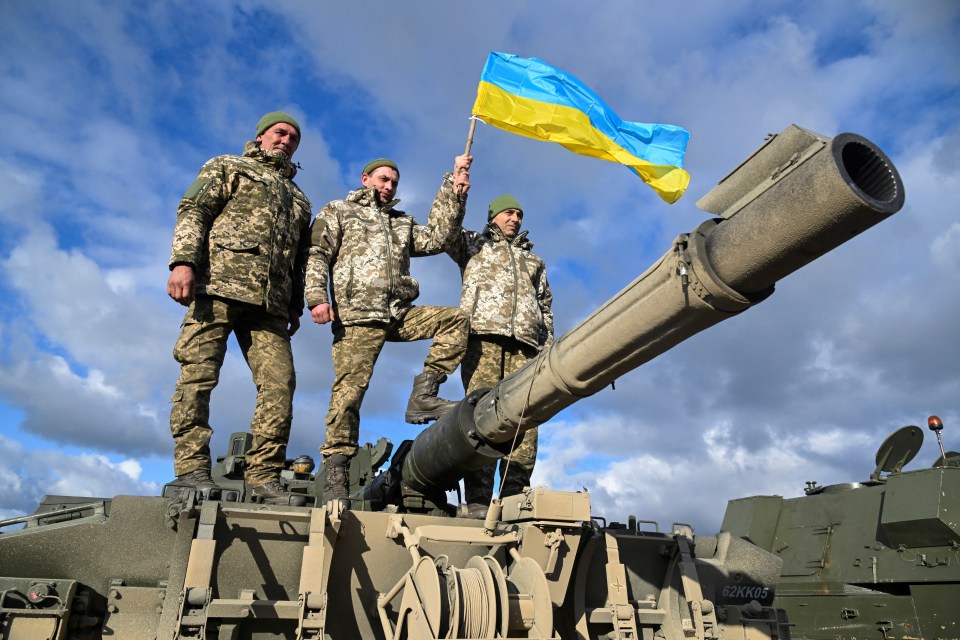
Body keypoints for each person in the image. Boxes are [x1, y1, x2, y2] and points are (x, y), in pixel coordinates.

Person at [166, 111, 311, 506]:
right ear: (262, 135)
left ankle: (264, 477)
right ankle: (192, 468)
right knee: (198, 376)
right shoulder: (229, 166)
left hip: (270, 307)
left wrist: (295, 305)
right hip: (218, 287)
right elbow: (194, 211)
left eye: (293, 138)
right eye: (280, 133)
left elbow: (299, 258)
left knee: (280, 385)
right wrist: (184, 263)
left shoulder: (299, 199)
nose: (286, 141)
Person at [306, 155, 472, 500]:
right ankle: (337, 470)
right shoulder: (339, 211)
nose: (389, 186)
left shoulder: (401, 222)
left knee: (456, 319)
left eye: (394, 182)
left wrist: (453, 190)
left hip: (398, 312)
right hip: (358, 316)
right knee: (349, 395)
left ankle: (423, 394)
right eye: (383, 179)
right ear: (365, 178)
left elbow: (438, 238)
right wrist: (317, 298)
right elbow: (318, 253)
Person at [446, 194, 554, 517]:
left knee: (525, 421)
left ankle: (512, 501)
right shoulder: (474, 246)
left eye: (519, 215)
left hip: (526, 347)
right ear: (493, 215)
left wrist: (546, 351)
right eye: (509, 213)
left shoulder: (534, 262)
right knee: (481, 418)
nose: (515, 219)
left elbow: (545, 307)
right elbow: (447, 232)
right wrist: (458, 190)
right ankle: (478, 500)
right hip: (483, 341)